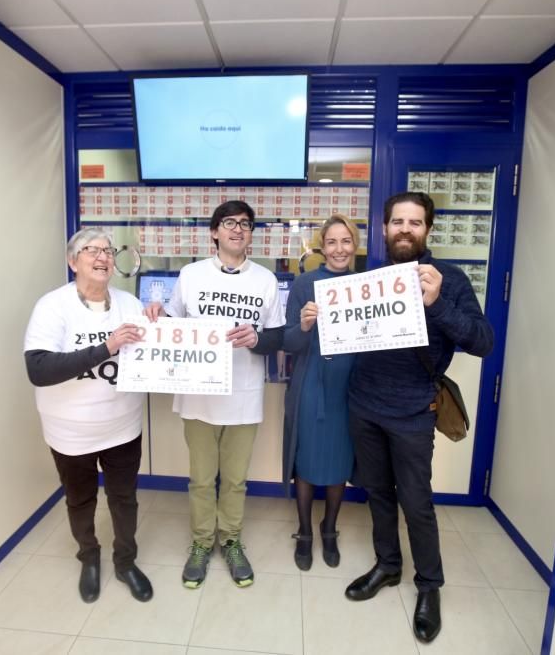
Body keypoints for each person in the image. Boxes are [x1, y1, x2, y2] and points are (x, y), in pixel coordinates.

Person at [343, 192, 493, 644]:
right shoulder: (370, 278)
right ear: (384, 228)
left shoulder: (448, 278)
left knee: (417, 502)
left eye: (414, 222)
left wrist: (437, 302)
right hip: (364, 406)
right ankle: (388, 566)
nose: (405, 229)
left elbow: (482, 342)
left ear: (428, 229)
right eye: (397, 221)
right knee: (378, 494)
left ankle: (429, 587)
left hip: (412, 412)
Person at [145, 200, 284, 589]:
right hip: (198, 397)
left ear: (251, 233)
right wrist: (157, 317)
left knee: (236, 480)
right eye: (229, 223)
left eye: (245, 224)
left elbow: (277, 336)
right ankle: (203, 543)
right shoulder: (190, 275)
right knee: (202, 479)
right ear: (214, 232)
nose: (238, 229)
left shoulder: (266, 280)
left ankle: (232, 540)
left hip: (244, 395)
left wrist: (257, 338)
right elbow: (174, 326)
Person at [24, 228, 153, 604]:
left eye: (108, 251)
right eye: (91, 250)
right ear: (72, 261)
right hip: (70, 433)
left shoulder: (129, 304)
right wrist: (107, 346)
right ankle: (89, 558)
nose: (102, 257)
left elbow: (154, 350)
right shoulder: (52, 306)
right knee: (80, 500)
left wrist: (159, 319)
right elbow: (40, 369)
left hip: (123, 426)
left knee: (124, 499)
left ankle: (125, 561)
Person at [281, 214, 360, 570]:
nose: (339, 249)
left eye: (346, 241)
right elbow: (289, 341)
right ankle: (305, 531)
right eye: (332, 242)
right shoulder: (304, 284)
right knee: (308, 460)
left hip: (350, 386)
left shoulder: (367, 284)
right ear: (321, 247)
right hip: (311, 381)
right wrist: (304, 324)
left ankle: (329, 528)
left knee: (339, 460)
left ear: (354, 245)